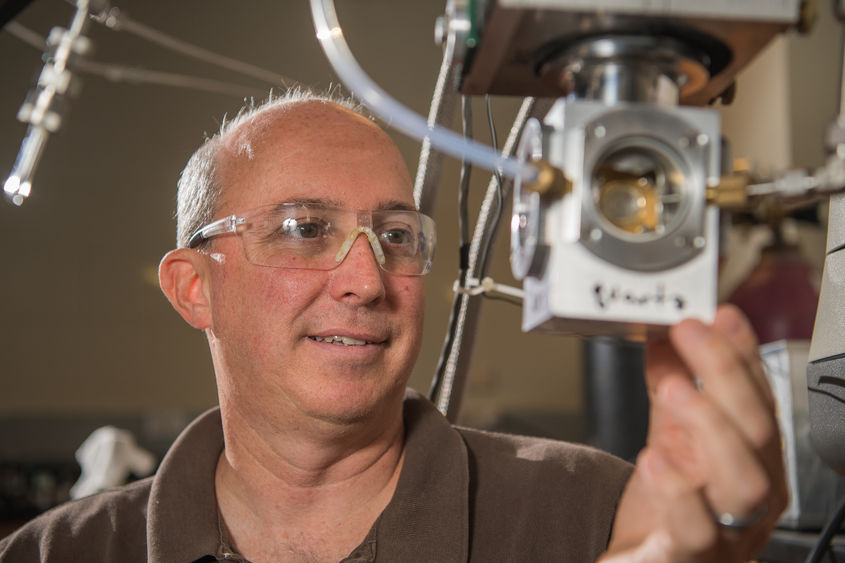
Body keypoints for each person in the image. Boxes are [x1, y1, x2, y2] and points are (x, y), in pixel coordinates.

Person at [0, 89, 787, 562]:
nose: (367, 279)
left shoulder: (592, 515)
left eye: (397, 235)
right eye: (305, 228)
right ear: (194, 287)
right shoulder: (55, 553)